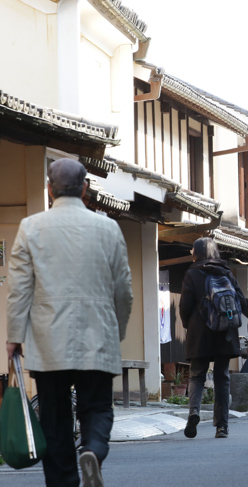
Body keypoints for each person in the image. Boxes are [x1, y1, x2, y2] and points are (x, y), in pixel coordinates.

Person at [6, 158, 133, 487]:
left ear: (50, 188)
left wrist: (14, 337)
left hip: (48, 339)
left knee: (54, 417)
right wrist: (116, 330)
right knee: (97, 407)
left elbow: (19, 289)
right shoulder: (108, 229)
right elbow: (124, 289)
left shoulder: (31, 228)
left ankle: (63, 482)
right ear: (85, 188)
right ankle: (92, 448)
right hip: (98, 334)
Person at [180, 237, 248, 439]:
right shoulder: (225, 272)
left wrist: (188, 325)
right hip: (224, 333)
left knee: (197, 375)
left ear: (198, 252)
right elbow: (240, 299)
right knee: (222, 377)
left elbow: (185, 305)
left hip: (200, 332)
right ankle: (222, 426)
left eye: (193, 249)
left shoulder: (192, 273)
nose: (191, 252)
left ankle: (194, 412)